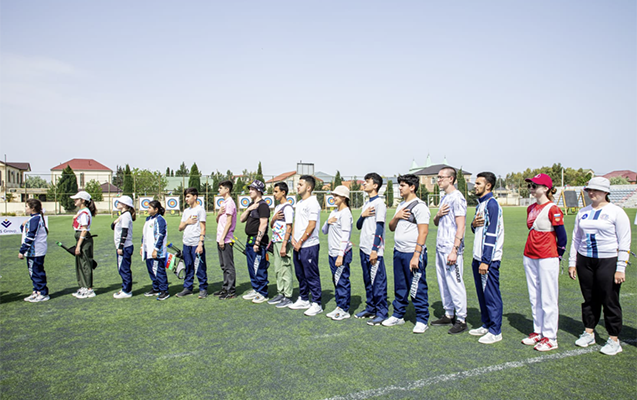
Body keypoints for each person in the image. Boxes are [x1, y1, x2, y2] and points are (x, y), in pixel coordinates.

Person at [568, 177, 631, 355]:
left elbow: (624, 241)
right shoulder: (583, 212)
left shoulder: (616, 212)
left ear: (605, 192)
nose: (591, 193)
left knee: (609, 299)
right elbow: (576, 238)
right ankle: (589, 332)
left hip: (608, 260)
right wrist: (572, 262)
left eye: (595, 190)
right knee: (589, 298)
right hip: (585, 260)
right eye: (589, 190)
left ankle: (613, 339)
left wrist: (621, 267)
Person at [521, 174, 567, 351]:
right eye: (530, 186)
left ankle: (550, 337)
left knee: (548, 297)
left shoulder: (553, 209)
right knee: (534, 295)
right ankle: (538, 331)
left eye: (535, 186)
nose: (531, 189)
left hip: (547, 255)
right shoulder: (531, 208)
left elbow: (562, 236)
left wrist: (558, 256)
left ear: (546, 188)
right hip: (530, 254)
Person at [383, 174, 430, 333]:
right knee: (400, 286)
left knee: (417, 287)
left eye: (403, 185)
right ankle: (398, 315)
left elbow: (423, 232)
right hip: (399, 251)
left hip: (412, 253)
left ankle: (422, 319)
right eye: (399, 185)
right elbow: (391, 227)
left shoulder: (420, 207)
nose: (400, 188)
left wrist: (416, 255)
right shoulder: (401, 205)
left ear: (412, 187)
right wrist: (396, 217)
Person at [432, 167, 468, 334]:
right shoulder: (444, 197)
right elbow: (436, 222)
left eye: (441, 177)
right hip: (440, 247)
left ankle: (461, 318)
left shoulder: (457, 198)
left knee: (455, 283)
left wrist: (455, 249)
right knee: (443, 281)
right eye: (438, 177)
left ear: (451, 179)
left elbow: (461, 226)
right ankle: (449, 313)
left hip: (451, 248)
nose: (438, 180)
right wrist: (438, 214)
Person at [469, 172, 505, 344]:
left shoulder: (492, 204)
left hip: (488, 259)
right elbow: (478, 229)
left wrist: (486, 260)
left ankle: (495, 331)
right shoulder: (480, 204)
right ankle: (486, 323)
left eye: (478, 183)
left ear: (488, 186)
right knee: (482, 294)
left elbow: (492, 233)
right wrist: (473, 225)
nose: (475, 186)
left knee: (491, 294)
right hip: (478, 257)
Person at [355, 172, 389, 326]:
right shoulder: (367, 203)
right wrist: (362, 215)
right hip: (363, 248)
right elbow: (358, 225)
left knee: (378, 282)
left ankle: (382, 312)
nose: (364, 183)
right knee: (368, 281)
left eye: (367, 181)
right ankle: (371, 308)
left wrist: (375, 249)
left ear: (375, 185)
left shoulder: (379, 204)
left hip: (373, 250)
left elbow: (380, 227)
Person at [288, 175, 323, 316]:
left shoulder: (313, 203)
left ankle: (317, 303)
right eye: (298, 184)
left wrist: (301, 241)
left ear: (308, 187)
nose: (297, 186)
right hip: (298, 245)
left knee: (311, 275)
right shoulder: (300, 203)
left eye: (300, 184)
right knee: (300, 274)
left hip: (309, 245)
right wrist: (293, 238)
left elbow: (312, 225)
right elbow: (296, 222)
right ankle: (303, 299)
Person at [322, 186, 354, 321]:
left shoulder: (346, 214)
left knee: (342, 281)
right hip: (332, 253)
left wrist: (340, 255)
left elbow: (345, 236)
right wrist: (327, 222)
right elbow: (324, 231)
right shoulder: (334, 212)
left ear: (344, 197)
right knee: (336, 281)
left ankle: (344, 309)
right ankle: (339, 306)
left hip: (341, 254)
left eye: (336, 195)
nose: (333, 197)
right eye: (333, 195)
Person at [239, 180, 271, 304]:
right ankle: (256, 289)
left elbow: (263, 224)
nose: (250, 191)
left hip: (258, 241)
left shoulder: (263, 206)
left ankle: (263, 292)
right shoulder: (252, 204)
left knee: (259, 267)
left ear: (259, 191)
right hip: (250, 240)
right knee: (252, 267)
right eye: (250, 189)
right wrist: (249, 209)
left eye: (252, 189)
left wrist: (258, 242)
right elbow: (242, 219)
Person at [176, 187, 208, 299]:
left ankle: (203, 288)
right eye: (185, 197)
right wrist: (187, 222)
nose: (186, 199)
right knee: (188, 266)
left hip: (196, 243)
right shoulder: (186, 211)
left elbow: (203, 228)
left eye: (188, 196)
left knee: (199, 267)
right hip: (186, 243)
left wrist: (200, 244)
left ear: (195, 197)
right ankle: (188, 288)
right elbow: (180, 228)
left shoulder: (200, 210)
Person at [268, 182, 295, 308]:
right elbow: (271, 225)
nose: (274, 194)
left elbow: (289, 227)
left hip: (283, 242)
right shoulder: (278, 207)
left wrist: (284, 245)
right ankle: (280, 292)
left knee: (285, 269)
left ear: (283, 192)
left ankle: (288, 296)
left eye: (276, 191)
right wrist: (273, 218)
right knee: (278, 269)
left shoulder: (288, 208)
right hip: (276, 241)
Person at [18, 199, 49, 302]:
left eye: (27, 206)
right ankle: (36, 291)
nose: (25, 208)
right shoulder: (33, 219)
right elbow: (26, 232)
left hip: (36, 251)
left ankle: (43, 292)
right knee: (33, 271)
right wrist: (23, 225)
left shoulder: (36, 219)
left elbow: (31, 236)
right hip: (33, 251)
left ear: (33, 208)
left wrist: (22, 250)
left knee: (37, 272)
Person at [70, 191, 98, 299]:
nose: (74, 201)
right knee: (80, 264)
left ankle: (89, 289)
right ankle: (83, 286)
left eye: (77, 199)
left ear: (83, 201)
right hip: (81, 238)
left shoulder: (84, 212)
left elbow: (84, 229)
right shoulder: (81, 211)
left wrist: (78, 246)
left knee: (85, 264)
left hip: (84, 239)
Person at [141, 200, 170, 300]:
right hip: (148, 250)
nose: (147, 209)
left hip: (157, 251)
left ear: (156, 209)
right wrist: (142, 247)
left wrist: (156, 249)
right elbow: (144, 234)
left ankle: (164, 291)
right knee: (151, 270)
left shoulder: (160, 219)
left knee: (159, 271)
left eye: (150, 208)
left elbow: (161, 235)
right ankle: (156, 288)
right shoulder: (148, 219)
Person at [215, 180, 237, 300]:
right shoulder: (224, 203)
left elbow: (229, 222)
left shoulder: (230, 203)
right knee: (223, 265)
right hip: (220, 238)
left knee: (228, 266)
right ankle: (225, 287)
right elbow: (219, 221)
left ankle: (231, 290)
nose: (219, 190)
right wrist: (218, 213)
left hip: (226, 239)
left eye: (221, 188)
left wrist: (223, 238)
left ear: (227, 189)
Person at [111, 195, 136, 299]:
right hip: (123, 247)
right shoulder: (123, 215)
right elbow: (112, 227)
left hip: (125, 247)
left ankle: (127, 291)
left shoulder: (126, 216)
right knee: (121, 268)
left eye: (120, 202)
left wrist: (121, 247)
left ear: (125, 205)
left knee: (124, 269)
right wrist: (116, 221)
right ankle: (125, 288)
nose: (117, 204)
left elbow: (124, 232)